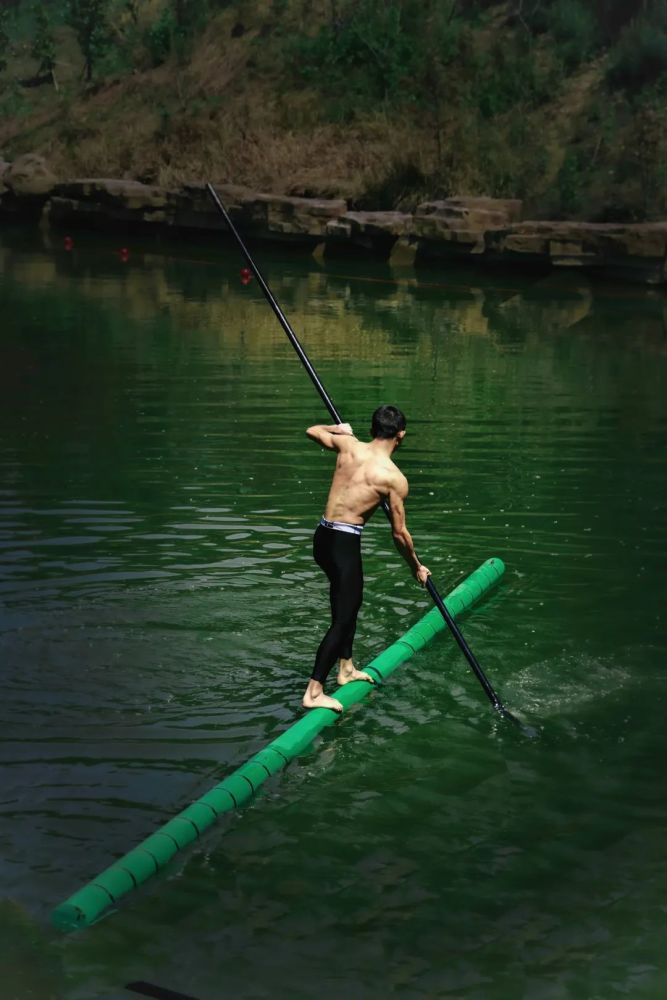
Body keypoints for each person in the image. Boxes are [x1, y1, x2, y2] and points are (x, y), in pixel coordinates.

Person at [302, 404, 431, 713]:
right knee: (344, 616)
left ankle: (346, 668)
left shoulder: (348, 445)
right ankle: (314, 691)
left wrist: (338, 429)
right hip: (345, 542)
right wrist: (417, 567)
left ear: (373, 429)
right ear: (401, 435)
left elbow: (313, 431)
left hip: (322, 538)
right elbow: (399, 534)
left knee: (348, 602)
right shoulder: (393, 478)